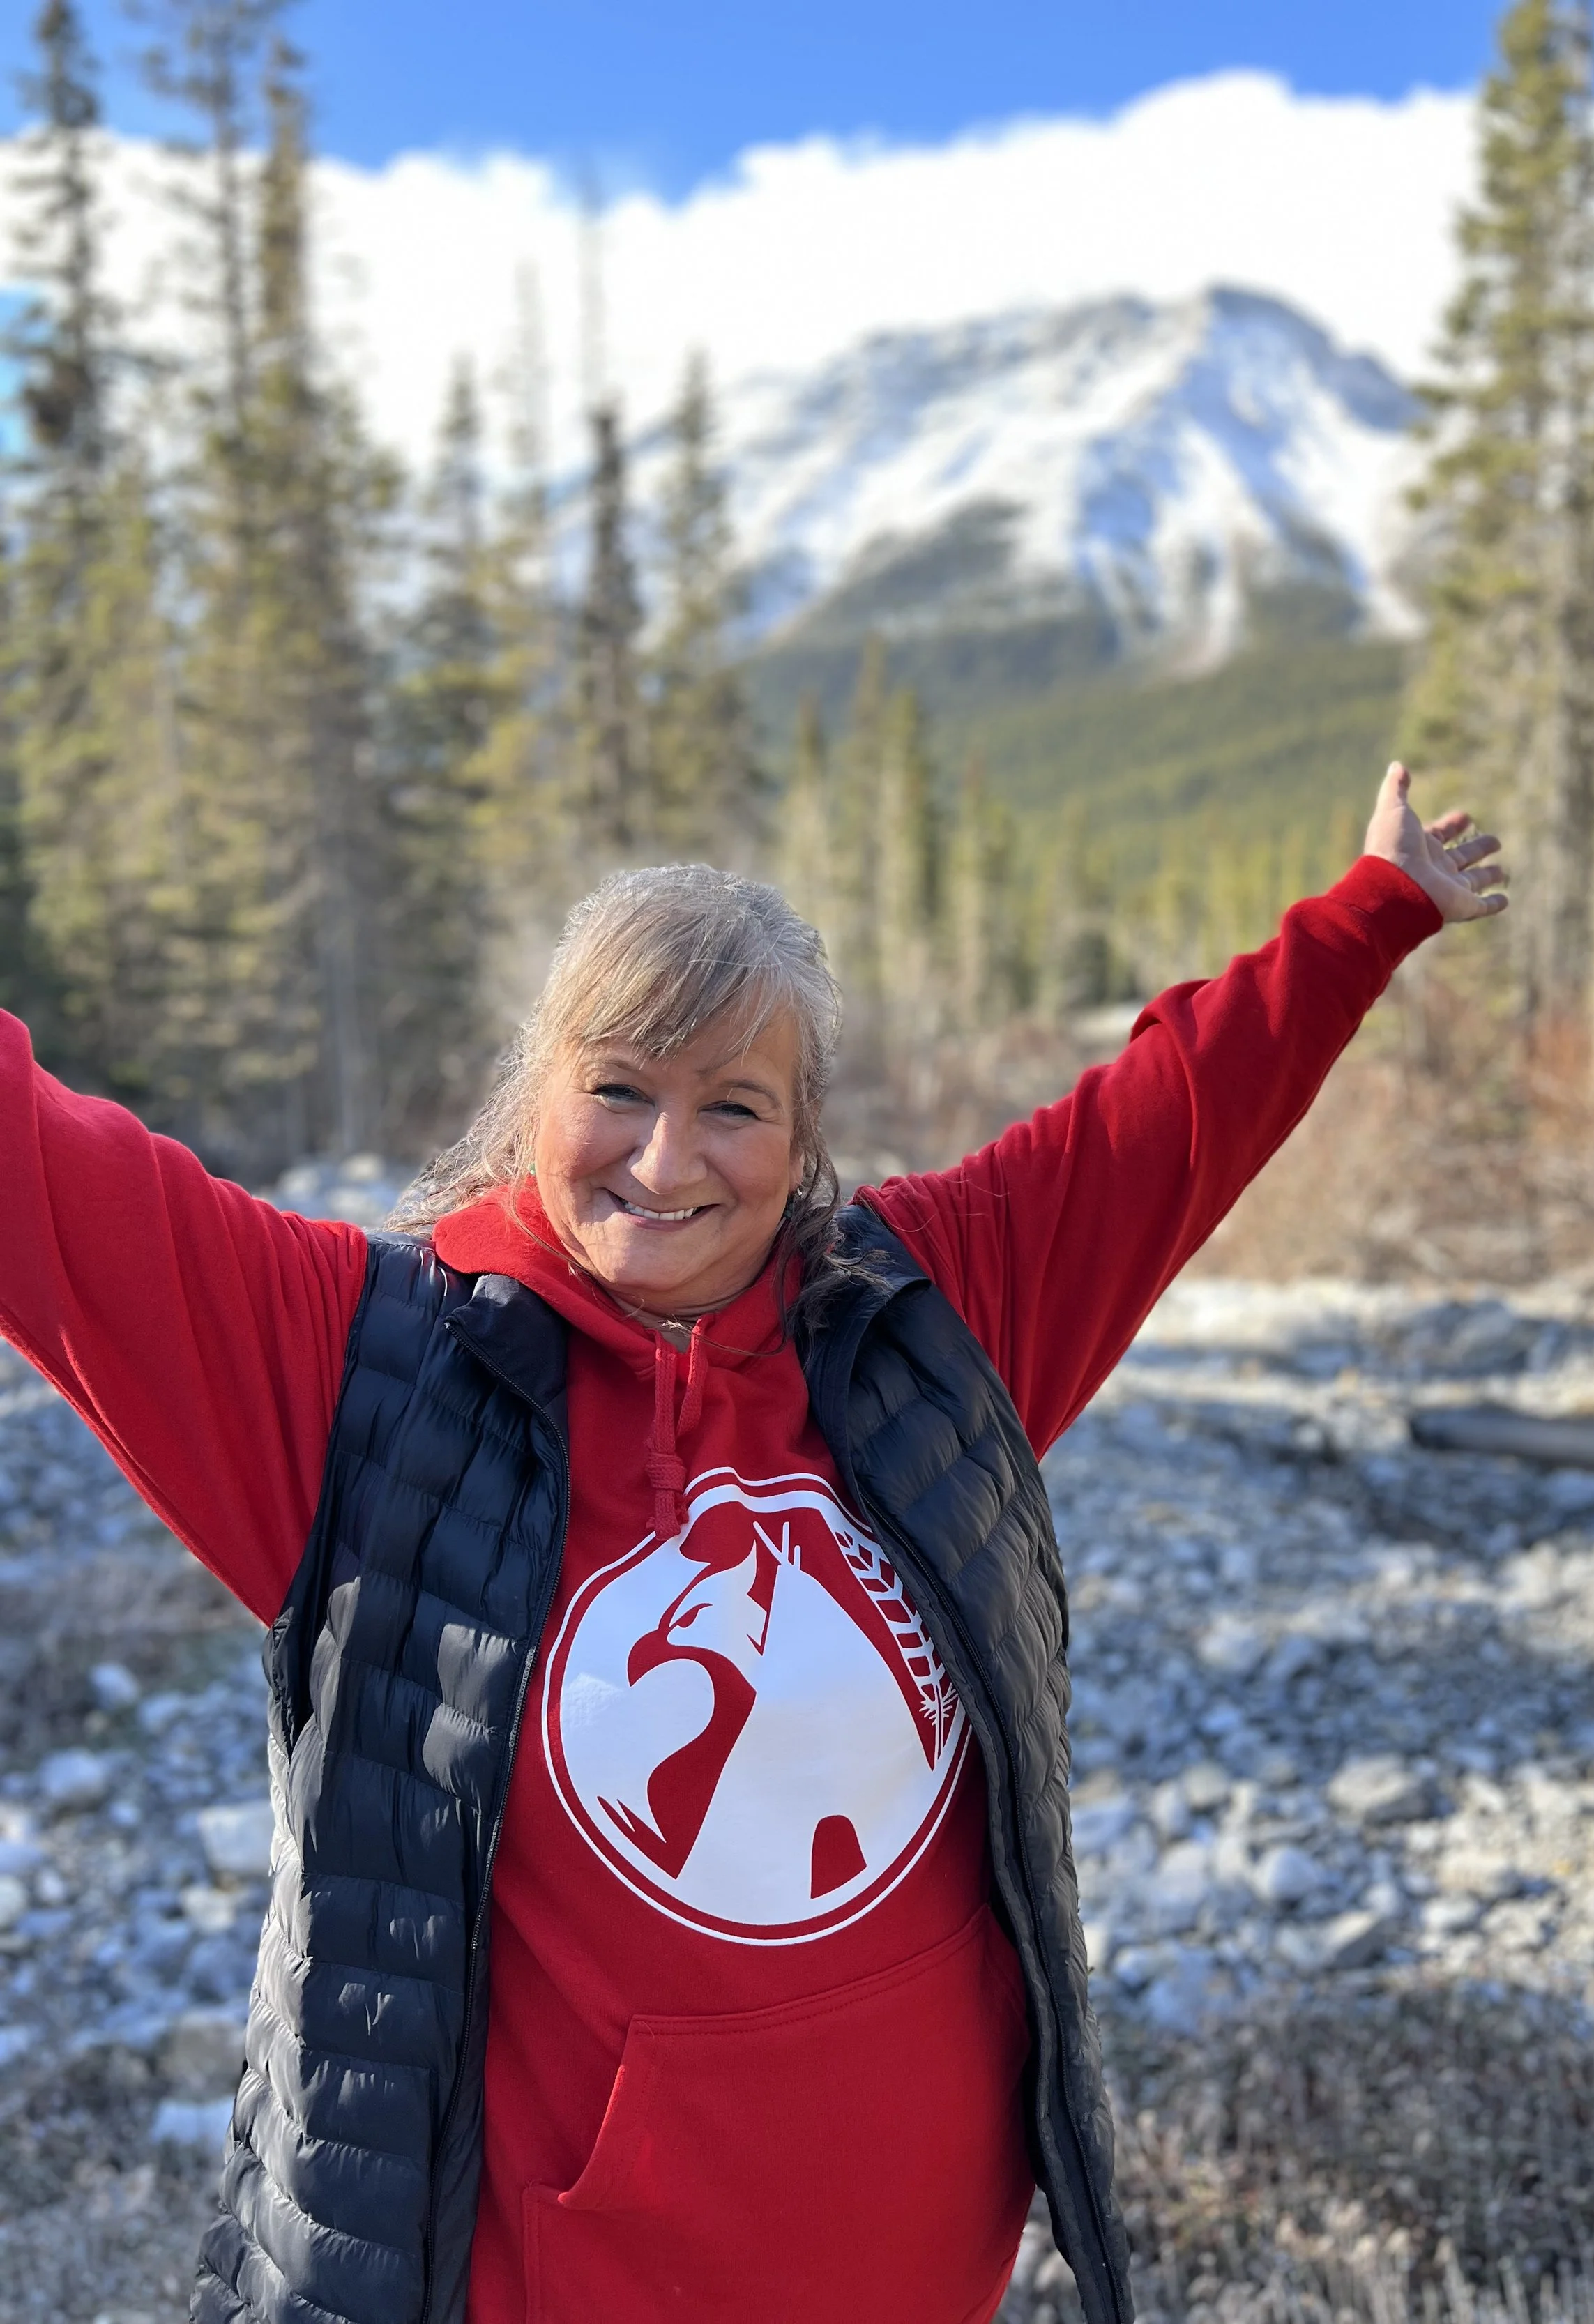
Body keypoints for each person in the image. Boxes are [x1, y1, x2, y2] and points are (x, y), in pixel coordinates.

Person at [0, 761, 1505, 2324]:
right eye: (618, 1090)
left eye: (732, 1105)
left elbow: (1165, 1122)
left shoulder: (920, 1325)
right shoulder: (358, 1375)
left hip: (919, 2265)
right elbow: (40, 1181)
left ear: (801, 1140)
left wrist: (1368, 915)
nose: (665, 1163)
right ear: (535, 1094)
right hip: (566, 2283)